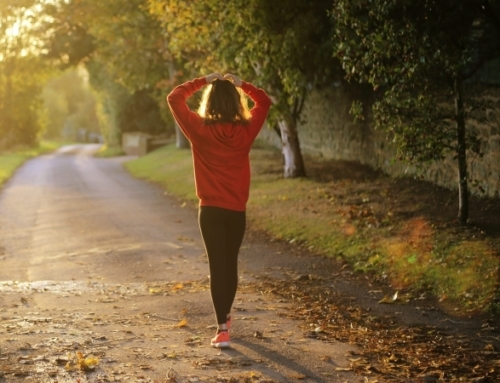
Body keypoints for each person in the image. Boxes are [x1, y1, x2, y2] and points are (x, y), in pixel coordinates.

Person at [167, 72, 271, 348]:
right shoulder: (246, 130)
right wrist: (242, 84)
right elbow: (264, 101)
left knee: (217, 266)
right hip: (236, 211)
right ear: (236, 103)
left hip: (210, 211)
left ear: (209, 102)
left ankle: (222, 328)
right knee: (230, 264)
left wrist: (202, 81)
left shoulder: (198, 129)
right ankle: (225, 317)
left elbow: (174, 97)